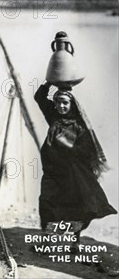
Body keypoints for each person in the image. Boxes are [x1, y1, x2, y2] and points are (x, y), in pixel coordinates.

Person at [34, 82, 116, 243]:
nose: (61, 106)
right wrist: (49, 83)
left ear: (72, 104)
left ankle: (75, 240)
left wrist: (68, 144)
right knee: (47, 202)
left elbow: (87, 151)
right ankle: (49, 238)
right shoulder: (54, 117)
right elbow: (39, 98)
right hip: (52, 172)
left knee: (76, 207)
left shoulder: (79, 127)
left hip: (72, 174)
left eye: (65, 102)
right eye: (58, 102)